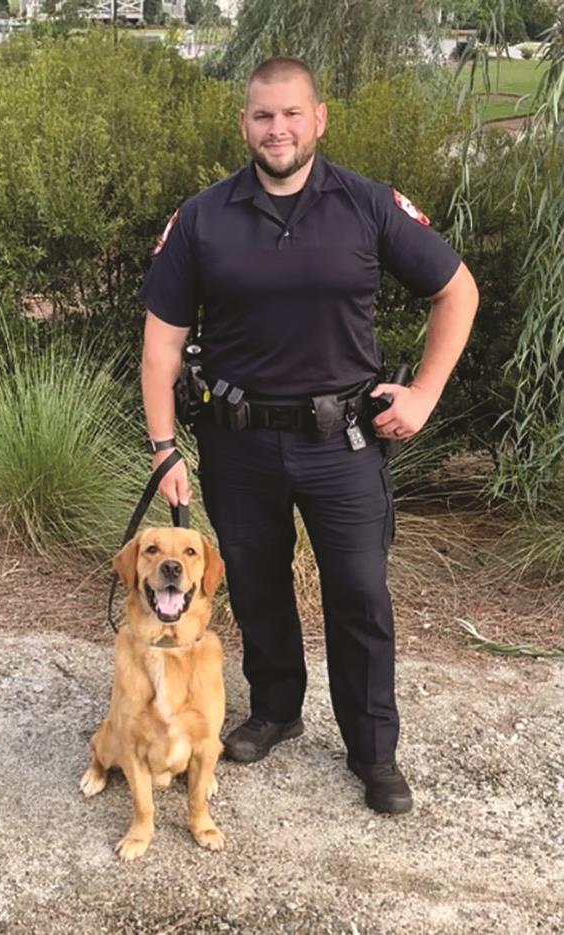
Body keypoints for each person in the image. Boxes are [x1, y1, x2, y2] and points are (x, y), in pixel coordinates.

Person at [139, 56, 479, 815]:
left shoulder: (367, 204)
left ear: (318, 118)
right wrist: (164, 446)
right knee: (256, 585)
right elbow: (162, 341)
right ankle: (274, 710)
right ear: (244, 125)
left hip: (343, 445)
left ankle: (372, 752)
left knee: (359, 594)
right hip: (236, 443)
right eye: (263, 115)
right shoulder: (202, 217)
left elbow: (456, 289)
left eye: (291, 114)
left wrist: (423, 392)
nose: (278, 129)